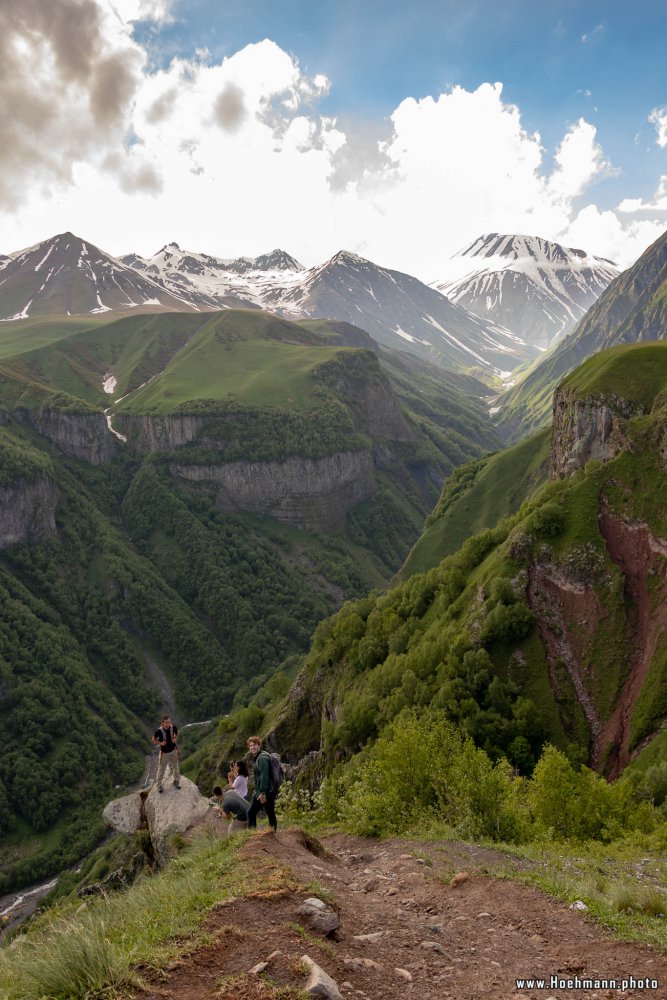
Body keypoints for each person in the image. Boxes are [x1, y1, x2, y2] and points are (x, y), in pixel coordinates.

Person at [246, 735, 278, 832]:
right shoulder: (261, 756)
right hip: (270, 790)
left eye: (254, 745)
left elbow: (265, 776)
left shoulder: (262, 758)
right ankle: (273, 832)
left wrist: (262, 793)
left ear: (259, 745)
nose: (252, 747)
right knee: (270, 812)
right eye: (251, 746)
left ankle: (251, 835)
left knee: (251, 813)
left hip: (264, 791)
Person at [153, 715, 181, 792]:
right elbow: (153, 739)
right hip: (164, 753)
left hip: (173, 751)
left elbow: (178, 732)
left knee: (176, 767)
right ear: (162, 723)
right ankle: (159, 786)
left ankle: (176, 781)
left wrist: (175, 738)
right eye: (165, 722)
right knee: (161, 770)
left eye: (168, 722)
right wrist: (160, 743)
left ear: (170, 722)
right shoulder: (159, 731)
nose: (167, 724)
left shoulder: (173, 728)